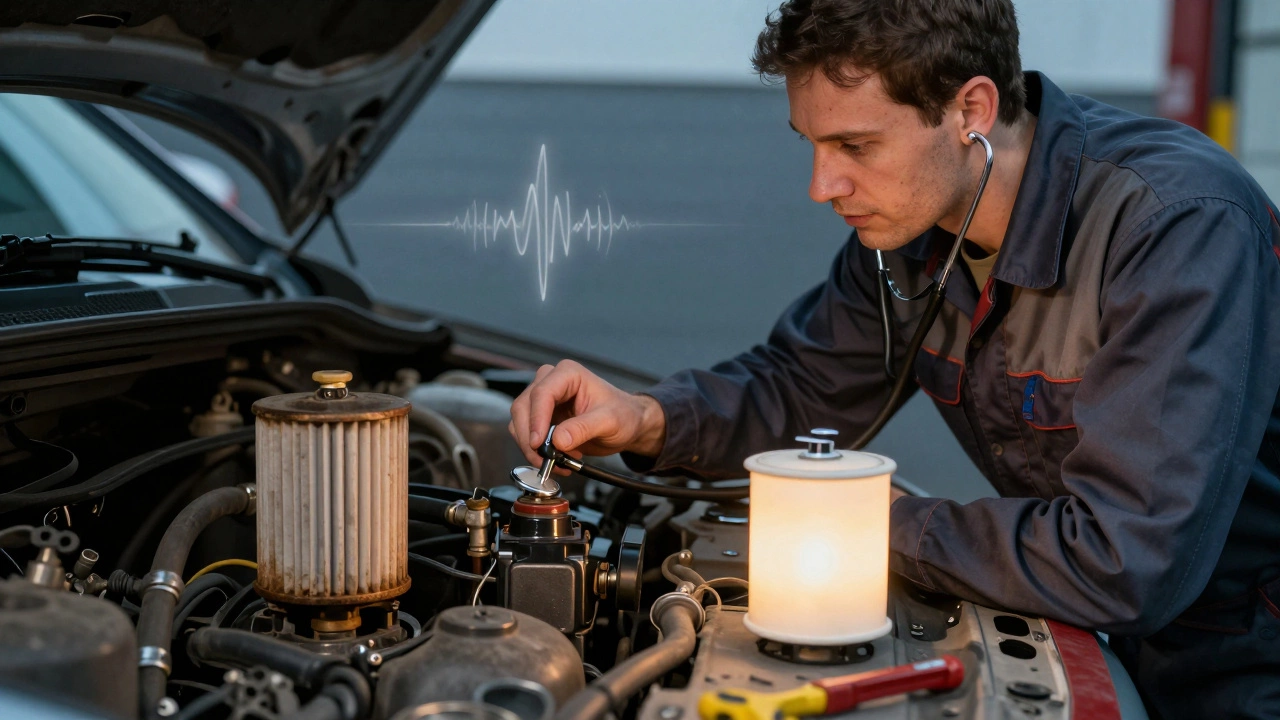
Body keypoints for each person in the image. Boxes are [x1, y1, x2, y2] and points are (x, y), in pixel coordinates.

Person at [507, 1, 1280, 716]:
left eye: (854, 145)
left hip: (1249, 658)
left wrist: (874, 525)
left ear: (971, 111)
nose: (822, 185)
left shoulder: (1176, 226)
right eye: (811, 144)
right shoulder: (915, 235)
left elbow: (1123, 558)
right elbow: (801, 386)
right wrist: (645, 418)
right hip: (1113, 640)